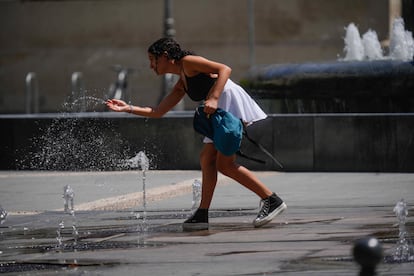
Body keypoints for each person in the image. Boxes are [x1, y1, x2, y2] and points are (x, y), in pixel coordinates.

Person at [106, 37, 286, 230]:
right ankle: (202, 213)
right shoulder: (182, 82)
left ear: (165, 56)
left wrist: (214, 98)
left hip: (227, 100)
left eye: (153, 59)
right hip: (218, 108)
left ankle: (271, 199)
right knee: (207, 159)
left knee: (224, 165)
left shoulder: (188, 62)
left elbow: (224, 69)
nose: (151, 66)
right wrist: (128, 108)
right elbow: (158, 112)